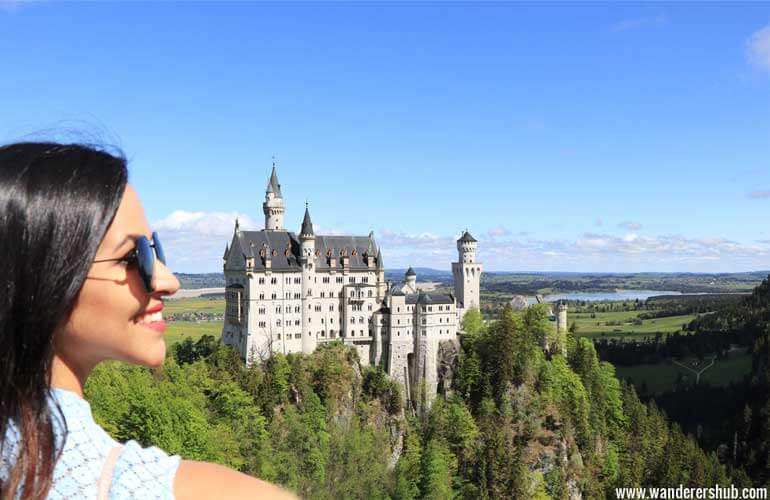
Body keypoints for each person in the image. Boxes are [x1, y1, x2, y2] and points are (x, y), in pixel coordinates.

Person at [0, 142, 296, 500]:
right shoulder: (138, 486)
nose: (169, 281)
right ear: (43, 279)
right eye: (131, 257)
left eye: (155, 249)